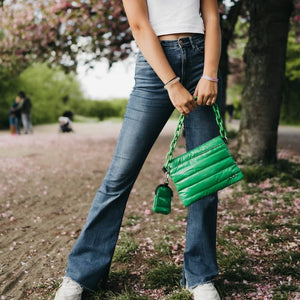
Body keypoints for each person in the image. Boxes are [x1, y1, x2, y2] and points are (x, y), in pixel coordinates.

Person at [55, 0, 222, 299]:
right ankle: (80, 274)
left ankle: (200, 276)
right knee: (119, 175)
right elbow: (139, 24)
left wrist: (210, 74)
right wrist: (171, 83)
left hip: (200, 60)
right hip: (155, 65)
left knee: (205, 176)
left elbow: (211, 15)